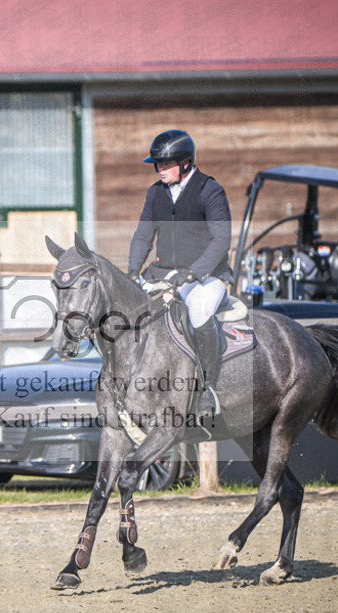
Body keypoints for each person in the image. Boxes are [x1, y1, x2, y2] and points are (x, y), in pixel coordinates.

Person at [127, 129, 232, 420]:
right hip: (162, 273)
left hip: (207, 276)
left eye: (165, 164)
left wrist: (192, 273)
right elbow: (143, 235)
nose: (160, 170)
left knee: (197, 313)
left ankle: (207, 387)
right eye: (157, 165)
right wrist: (133, 269)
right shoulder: (155, 192)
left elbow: (221, 240)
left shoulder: (210, 190)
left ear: (186, 163)